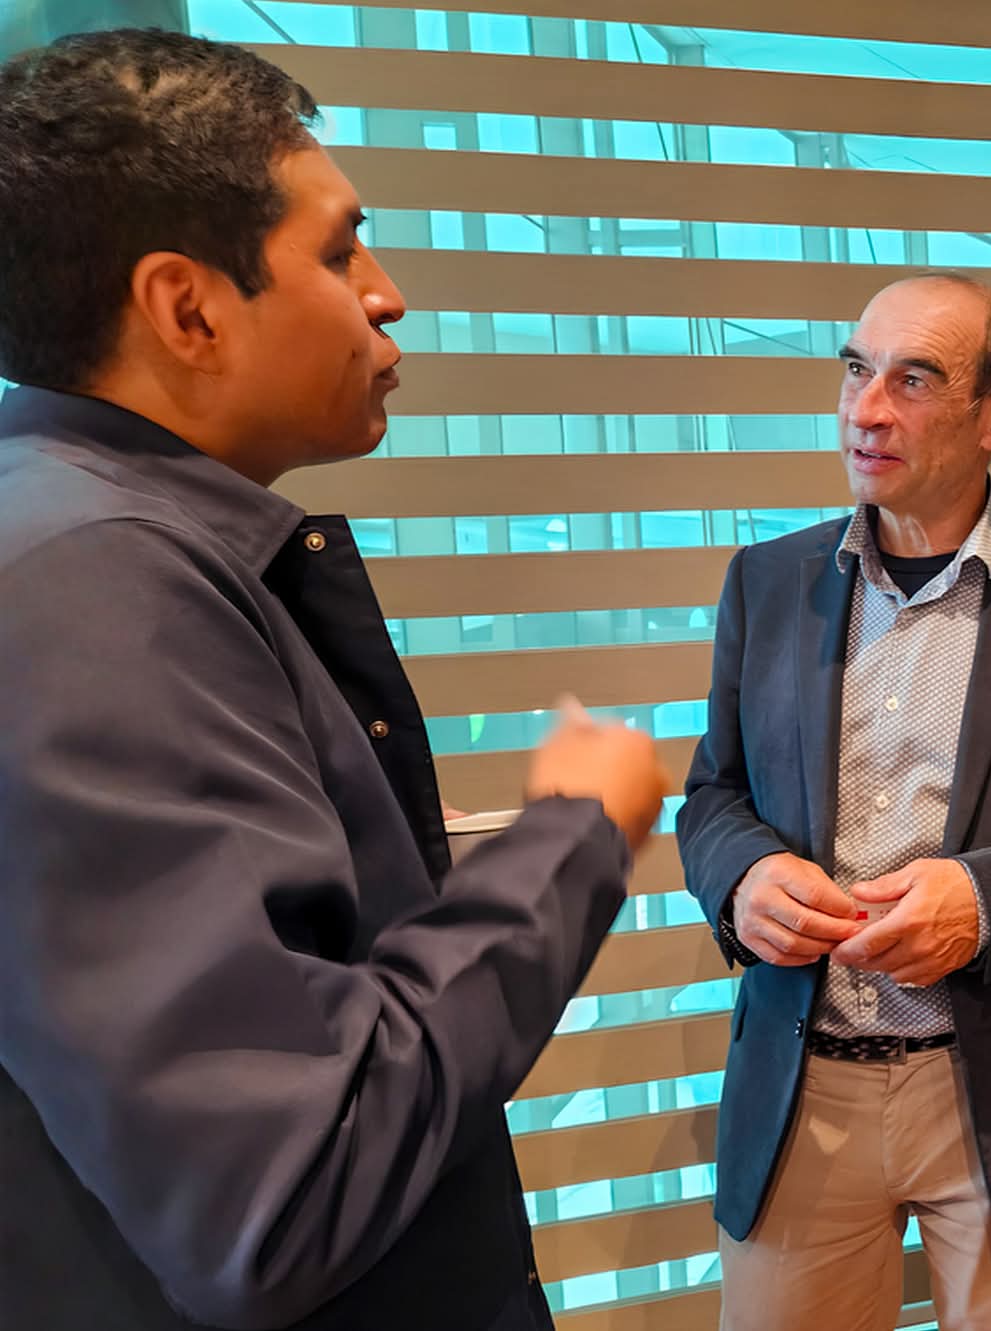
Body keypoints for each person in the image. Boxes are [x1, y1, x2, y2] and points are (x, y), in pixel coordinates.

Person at [0, 30, 670, 1331]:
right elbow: (286, 1185)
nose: (388, 294)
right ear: (188, 308)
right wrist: (574, 837)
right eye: (340, 250)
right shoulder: (94, 584)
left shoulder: (100, 544)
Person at [677, 272, 991, 1329]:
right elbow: (713, 793)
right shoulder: (767, 583)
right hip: (803, 1089)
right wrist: (744, 876)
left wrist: (985, 899)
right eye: (855, 371)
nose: (866, 410)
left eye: (913, 380)